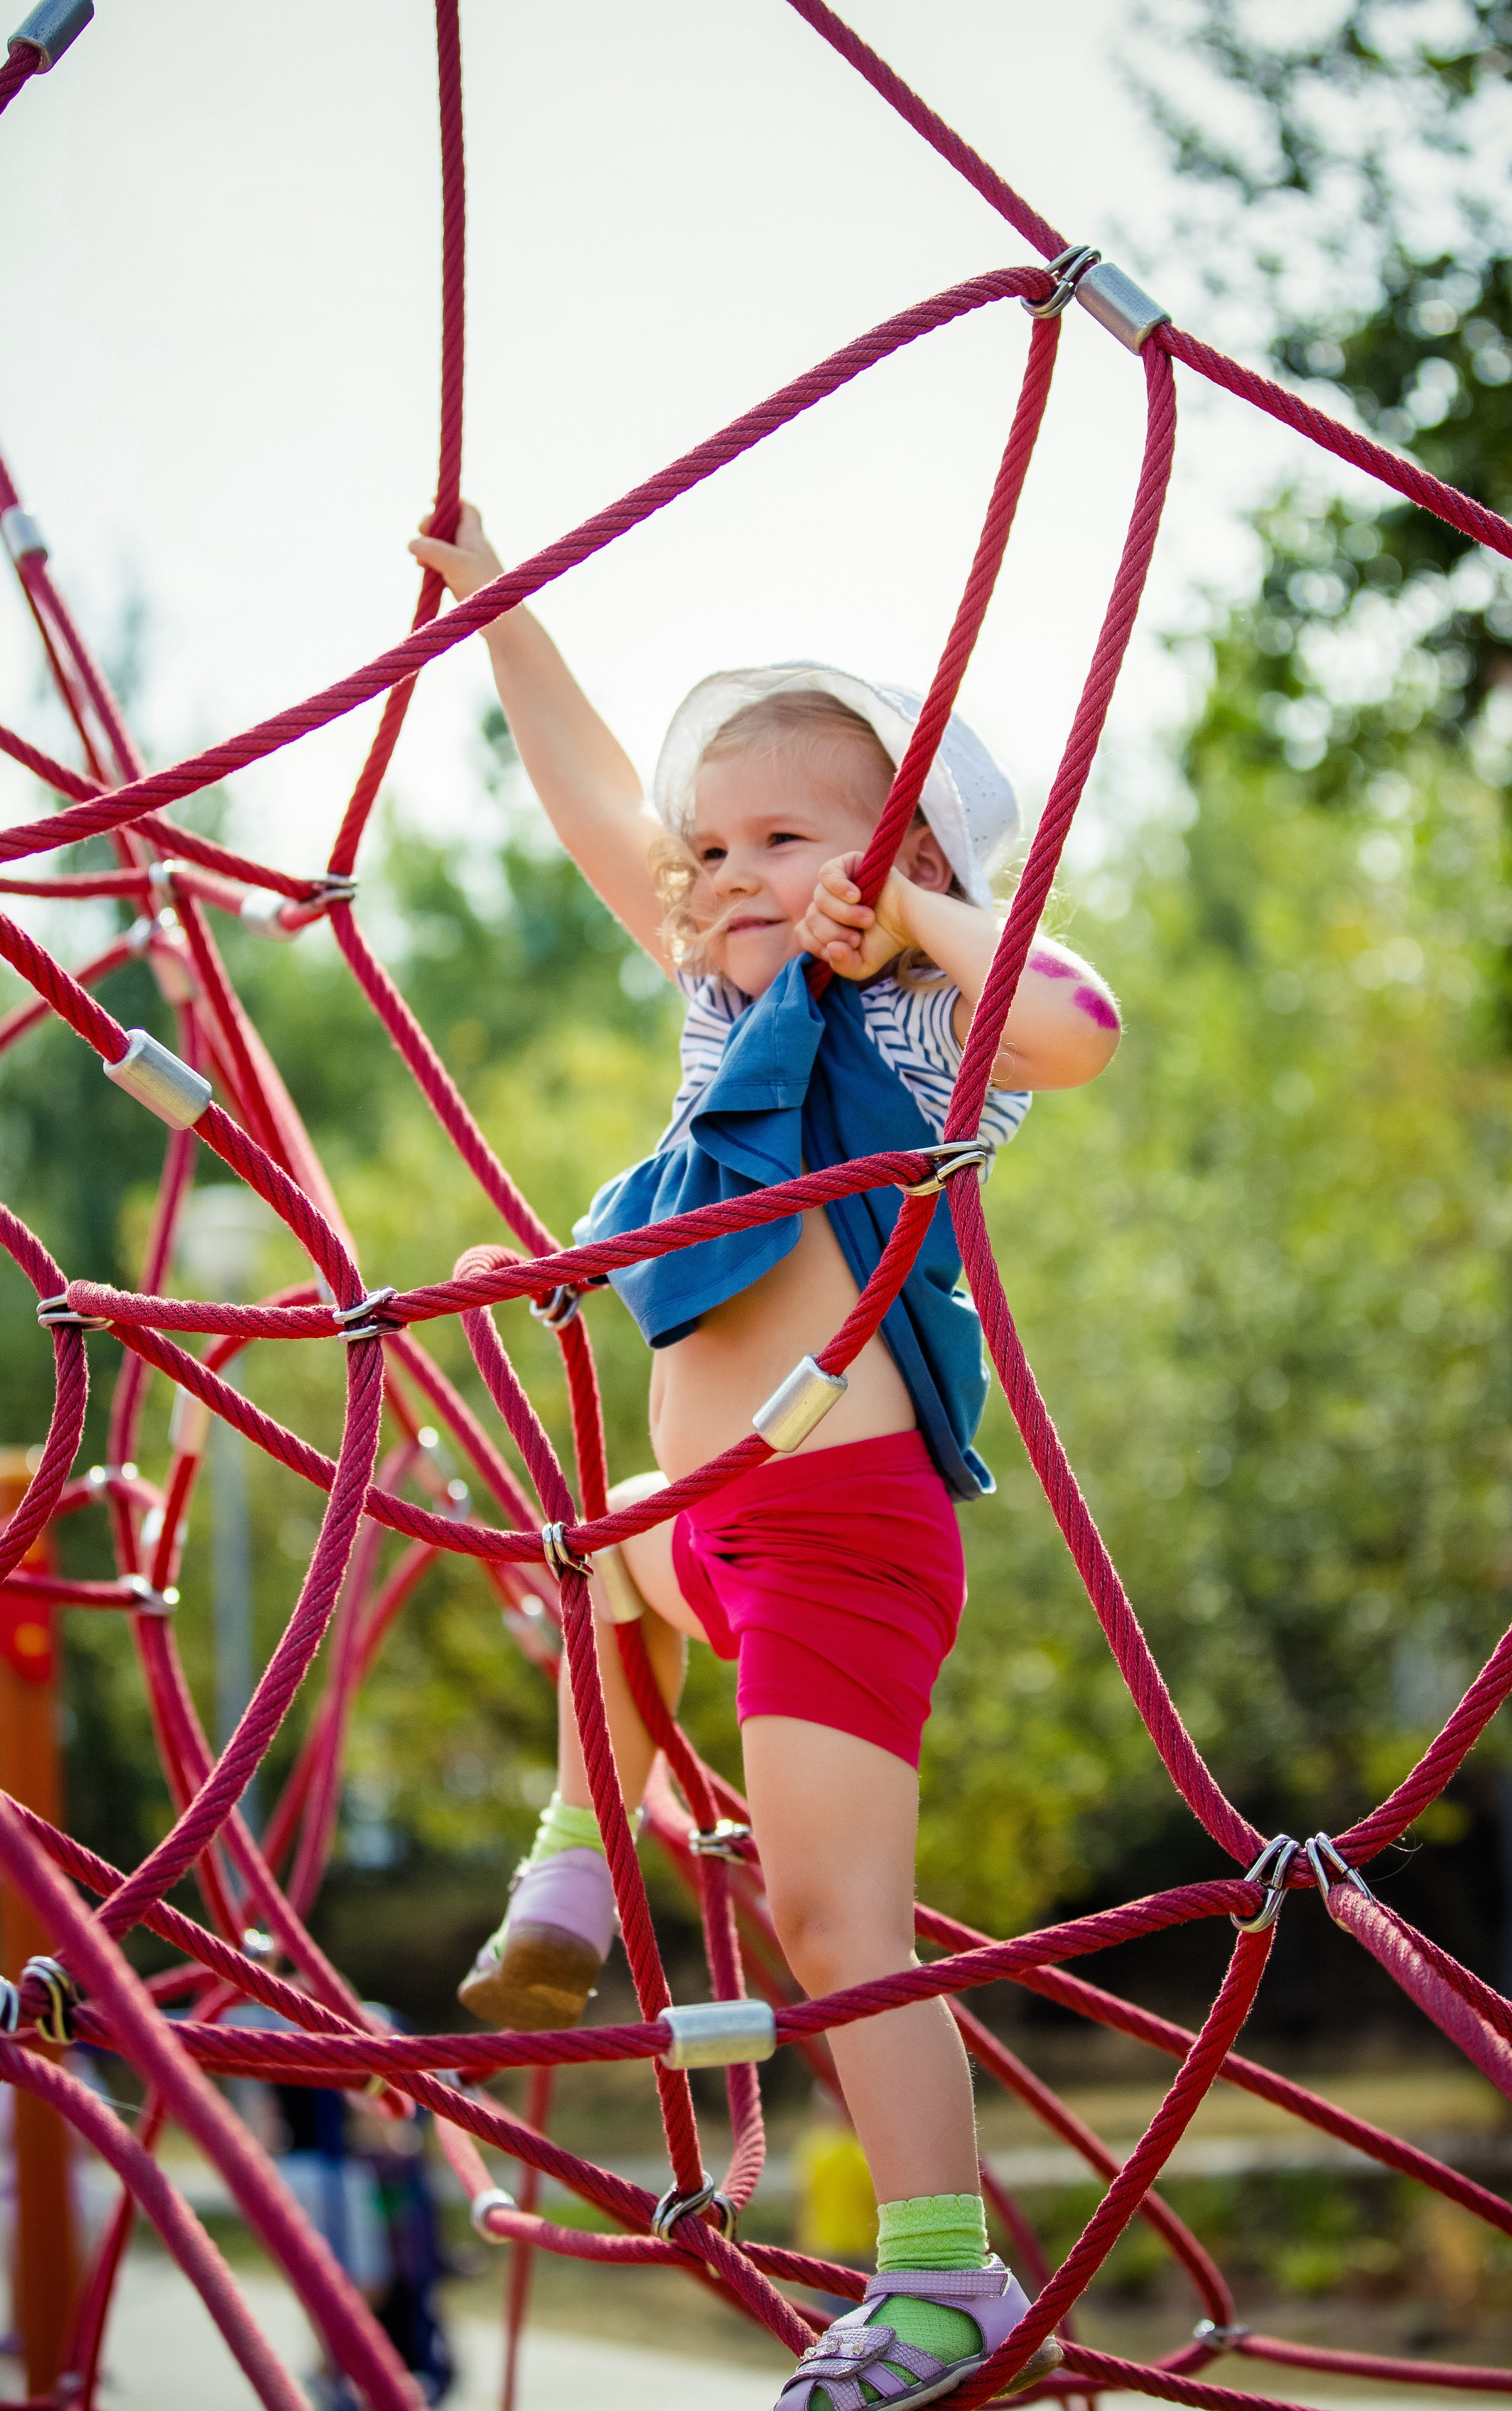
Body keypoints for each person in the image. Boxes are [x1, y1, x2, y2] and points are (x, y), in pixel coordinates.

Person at [411, 505, 1120, 2408]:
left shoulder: (918, 1011)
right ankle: (579, 1843)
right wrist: (502, 612)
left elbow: (1082, 1027)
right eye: (713, 848)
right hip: (701, 1530)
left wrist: (918, 917)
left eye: (785, 840)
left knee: (833, 1925)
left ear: (896, 863)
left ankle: (943, 2277)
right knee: (598, 1557)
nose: (727, 875)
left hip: (840, 1529)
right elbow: (590, 810)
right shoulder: (717, 1007)